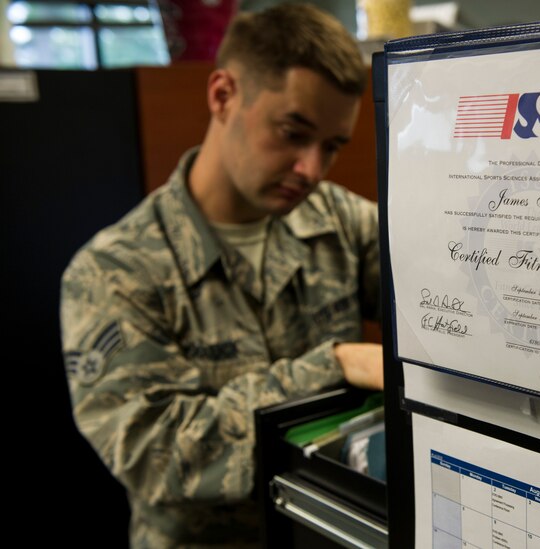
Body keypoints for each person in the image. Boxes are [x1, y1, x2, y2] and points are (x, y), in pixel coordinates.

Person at [60, 4, 383, 547]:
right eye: (292, 131)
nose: (311, 168)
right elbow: (155, 453)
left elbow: (431, 297)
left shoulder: (339, 221)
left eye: (331, 147)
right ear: (222, 95)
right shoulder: (114, 270)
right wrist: (331, 366)